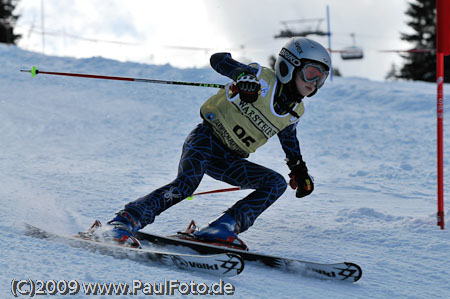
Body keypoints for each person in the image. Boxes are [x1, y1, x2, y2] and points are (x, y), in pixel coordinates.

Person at [97, 37, 332, 249]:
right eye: (311, 73)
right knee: (185, 185)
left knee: (275, 183)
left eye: (321, 79)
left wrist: (299, 171)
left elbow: (289, 142)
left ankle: (223, 228)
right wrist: (243, 77)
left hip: (229, 159)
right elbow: (219, 60)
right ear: (289, 66)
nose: (314, 83)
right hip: (205, 140)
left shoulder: (294, 111)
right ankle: (124, 221)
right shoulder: (261, 78)